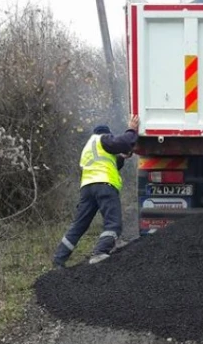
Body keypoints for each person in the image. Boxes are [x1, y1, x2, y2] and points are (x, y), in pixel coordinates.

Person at [52, 115, 139, 269]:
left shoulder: (88, 147)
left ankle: (59, 259)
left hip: (87, 189)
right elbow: (123, 142)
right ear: (105, 133)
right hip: (104, 185)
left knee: (79, 224)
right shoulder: (103, 139)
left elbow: (112, 162)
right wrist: (131, 129)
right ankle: (100, 251)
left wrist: (123, 157)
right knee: (113, 224)